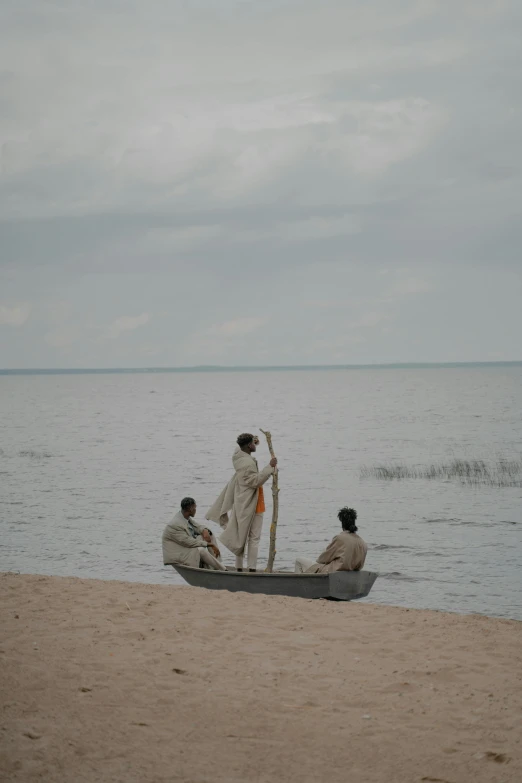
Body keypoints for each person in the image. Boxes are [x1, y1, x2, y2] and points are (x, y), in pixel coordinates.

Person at [206, 433, 277, 572]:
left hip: (241, 502)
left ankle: (239, 568)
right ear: (248, 445)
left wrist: (253, 440)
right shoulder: (248, 463)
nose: (255, 444)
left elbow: (240, 448)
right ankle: (251, 569)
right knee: (253, 538)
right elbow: (255, 481)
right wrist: (269, 467)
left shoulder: (238, 457)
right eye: (253, 443)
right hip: (252, 504)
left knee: (240, 535)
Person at [294, 507, 367, 574]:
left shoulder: (340, 538)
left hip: (332, 572)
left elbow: (322, 559)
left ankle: (298, 586)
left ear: (342, 524)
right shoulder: (362, 543)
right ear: (354, 522)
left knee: (299, 560)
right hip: (348, 574)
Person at [162, 497, 226, 571]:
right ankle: (223, 570)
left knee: (209, 534)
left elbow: (197, 527)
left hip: (187, 548)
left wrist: (204, 530)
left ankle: (216, 564)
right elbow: (188, 542)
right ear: (190, 509)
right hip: (180, 553)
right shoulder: (175, 525)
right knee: (201, 550)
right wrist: (210, 544)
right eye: (194, 508)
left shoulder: (186, 518)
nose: (195, 510)